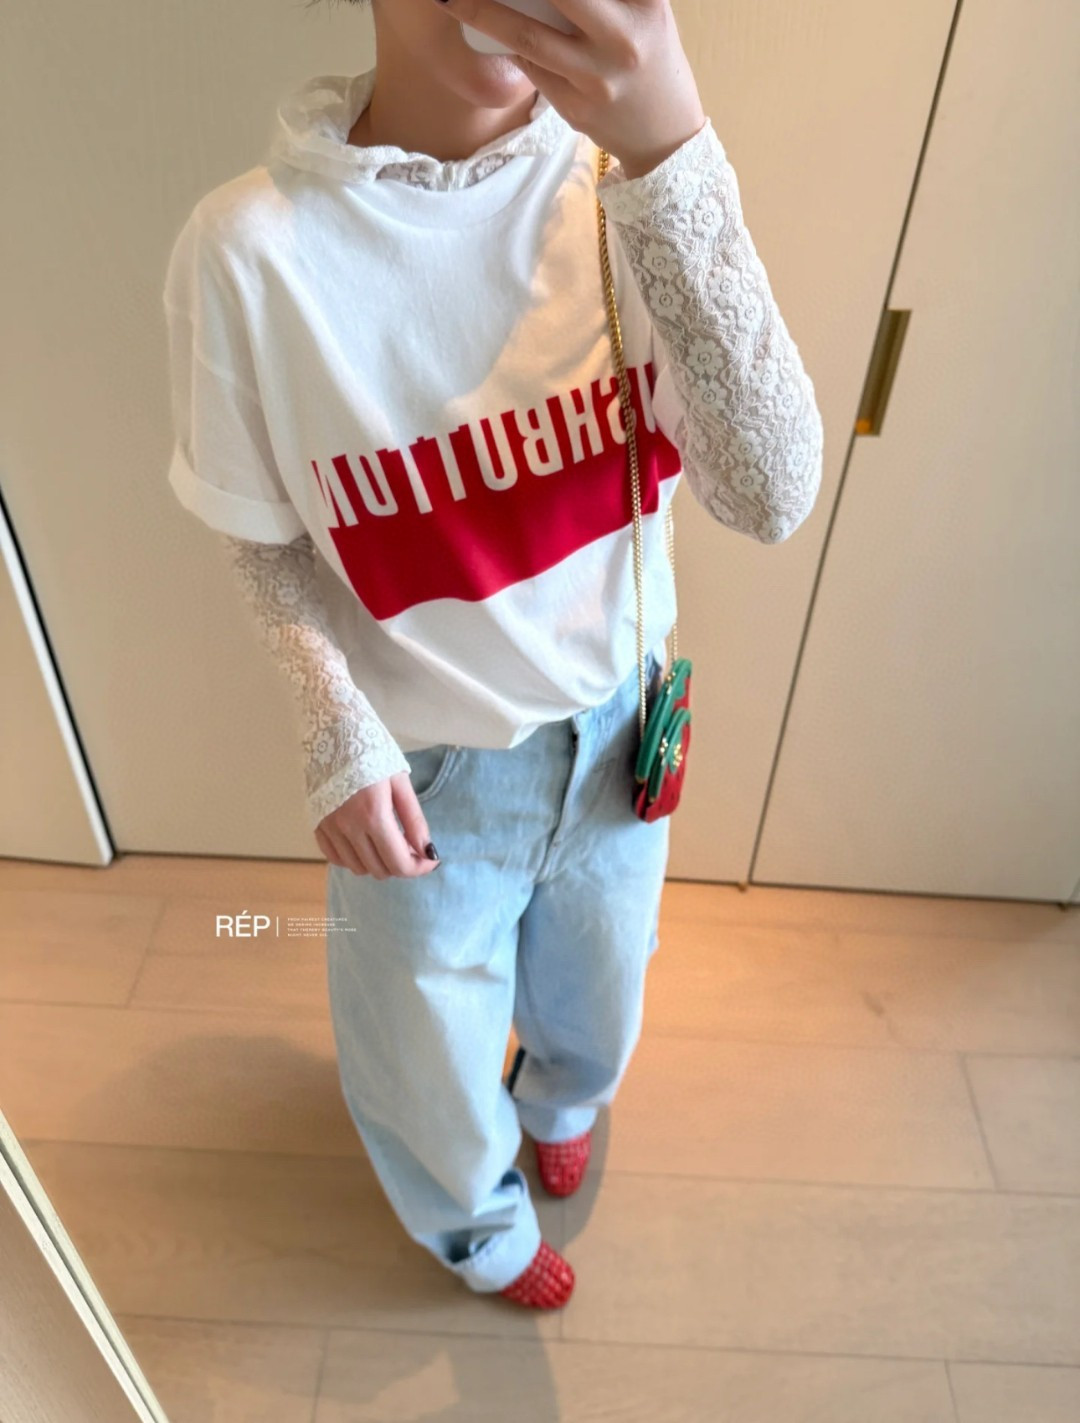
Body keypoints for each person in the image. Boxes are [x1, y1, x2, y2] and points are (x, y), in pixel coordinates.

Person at [162, 0, 824, 1310]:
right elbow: (260, 532)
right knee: (420, 1042)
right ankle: (475, 1229)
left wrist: (672, 150)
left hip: (622, 728)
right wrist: (335, 729)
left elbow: (770, 492)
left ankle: (563, 1096)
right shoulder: (249, 251)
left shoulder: (624, 188)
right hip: (428, 779)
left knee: (605, 985)